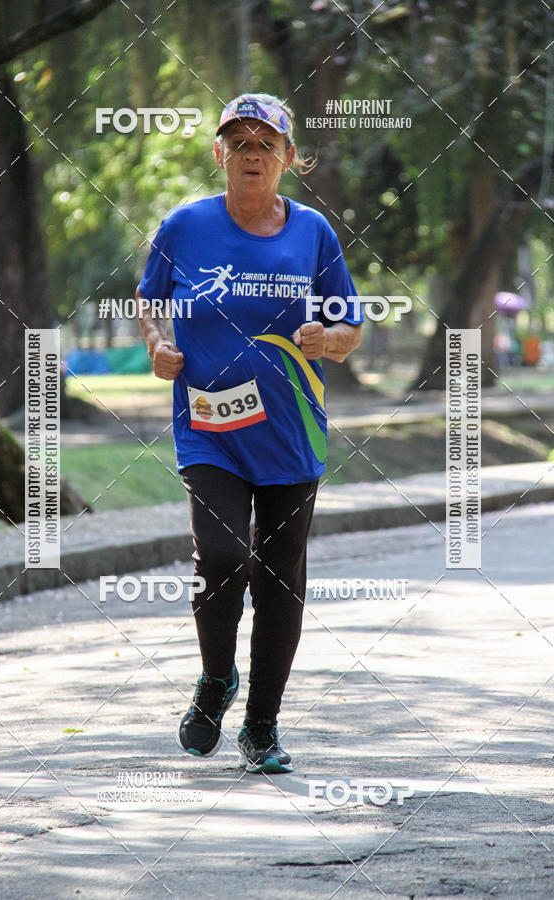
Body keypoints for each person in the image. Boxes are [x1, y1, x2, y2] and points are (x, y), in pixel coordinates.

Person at [137, 92, 363, 774]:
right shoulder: (183, 227)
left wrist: (329, 340)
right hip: (210, 428)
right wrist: (156, 342)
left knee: (280, 581)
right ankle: (215, 680)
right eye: (239, 143)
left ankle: (260, 729)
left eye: (266, 144)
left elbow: (351, 326)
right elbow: (150, 297)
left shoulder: (314, 234)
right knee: (224, 554)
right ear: (220, 156)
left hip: (292, 433)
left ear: (290, 158)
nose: (252, 154)